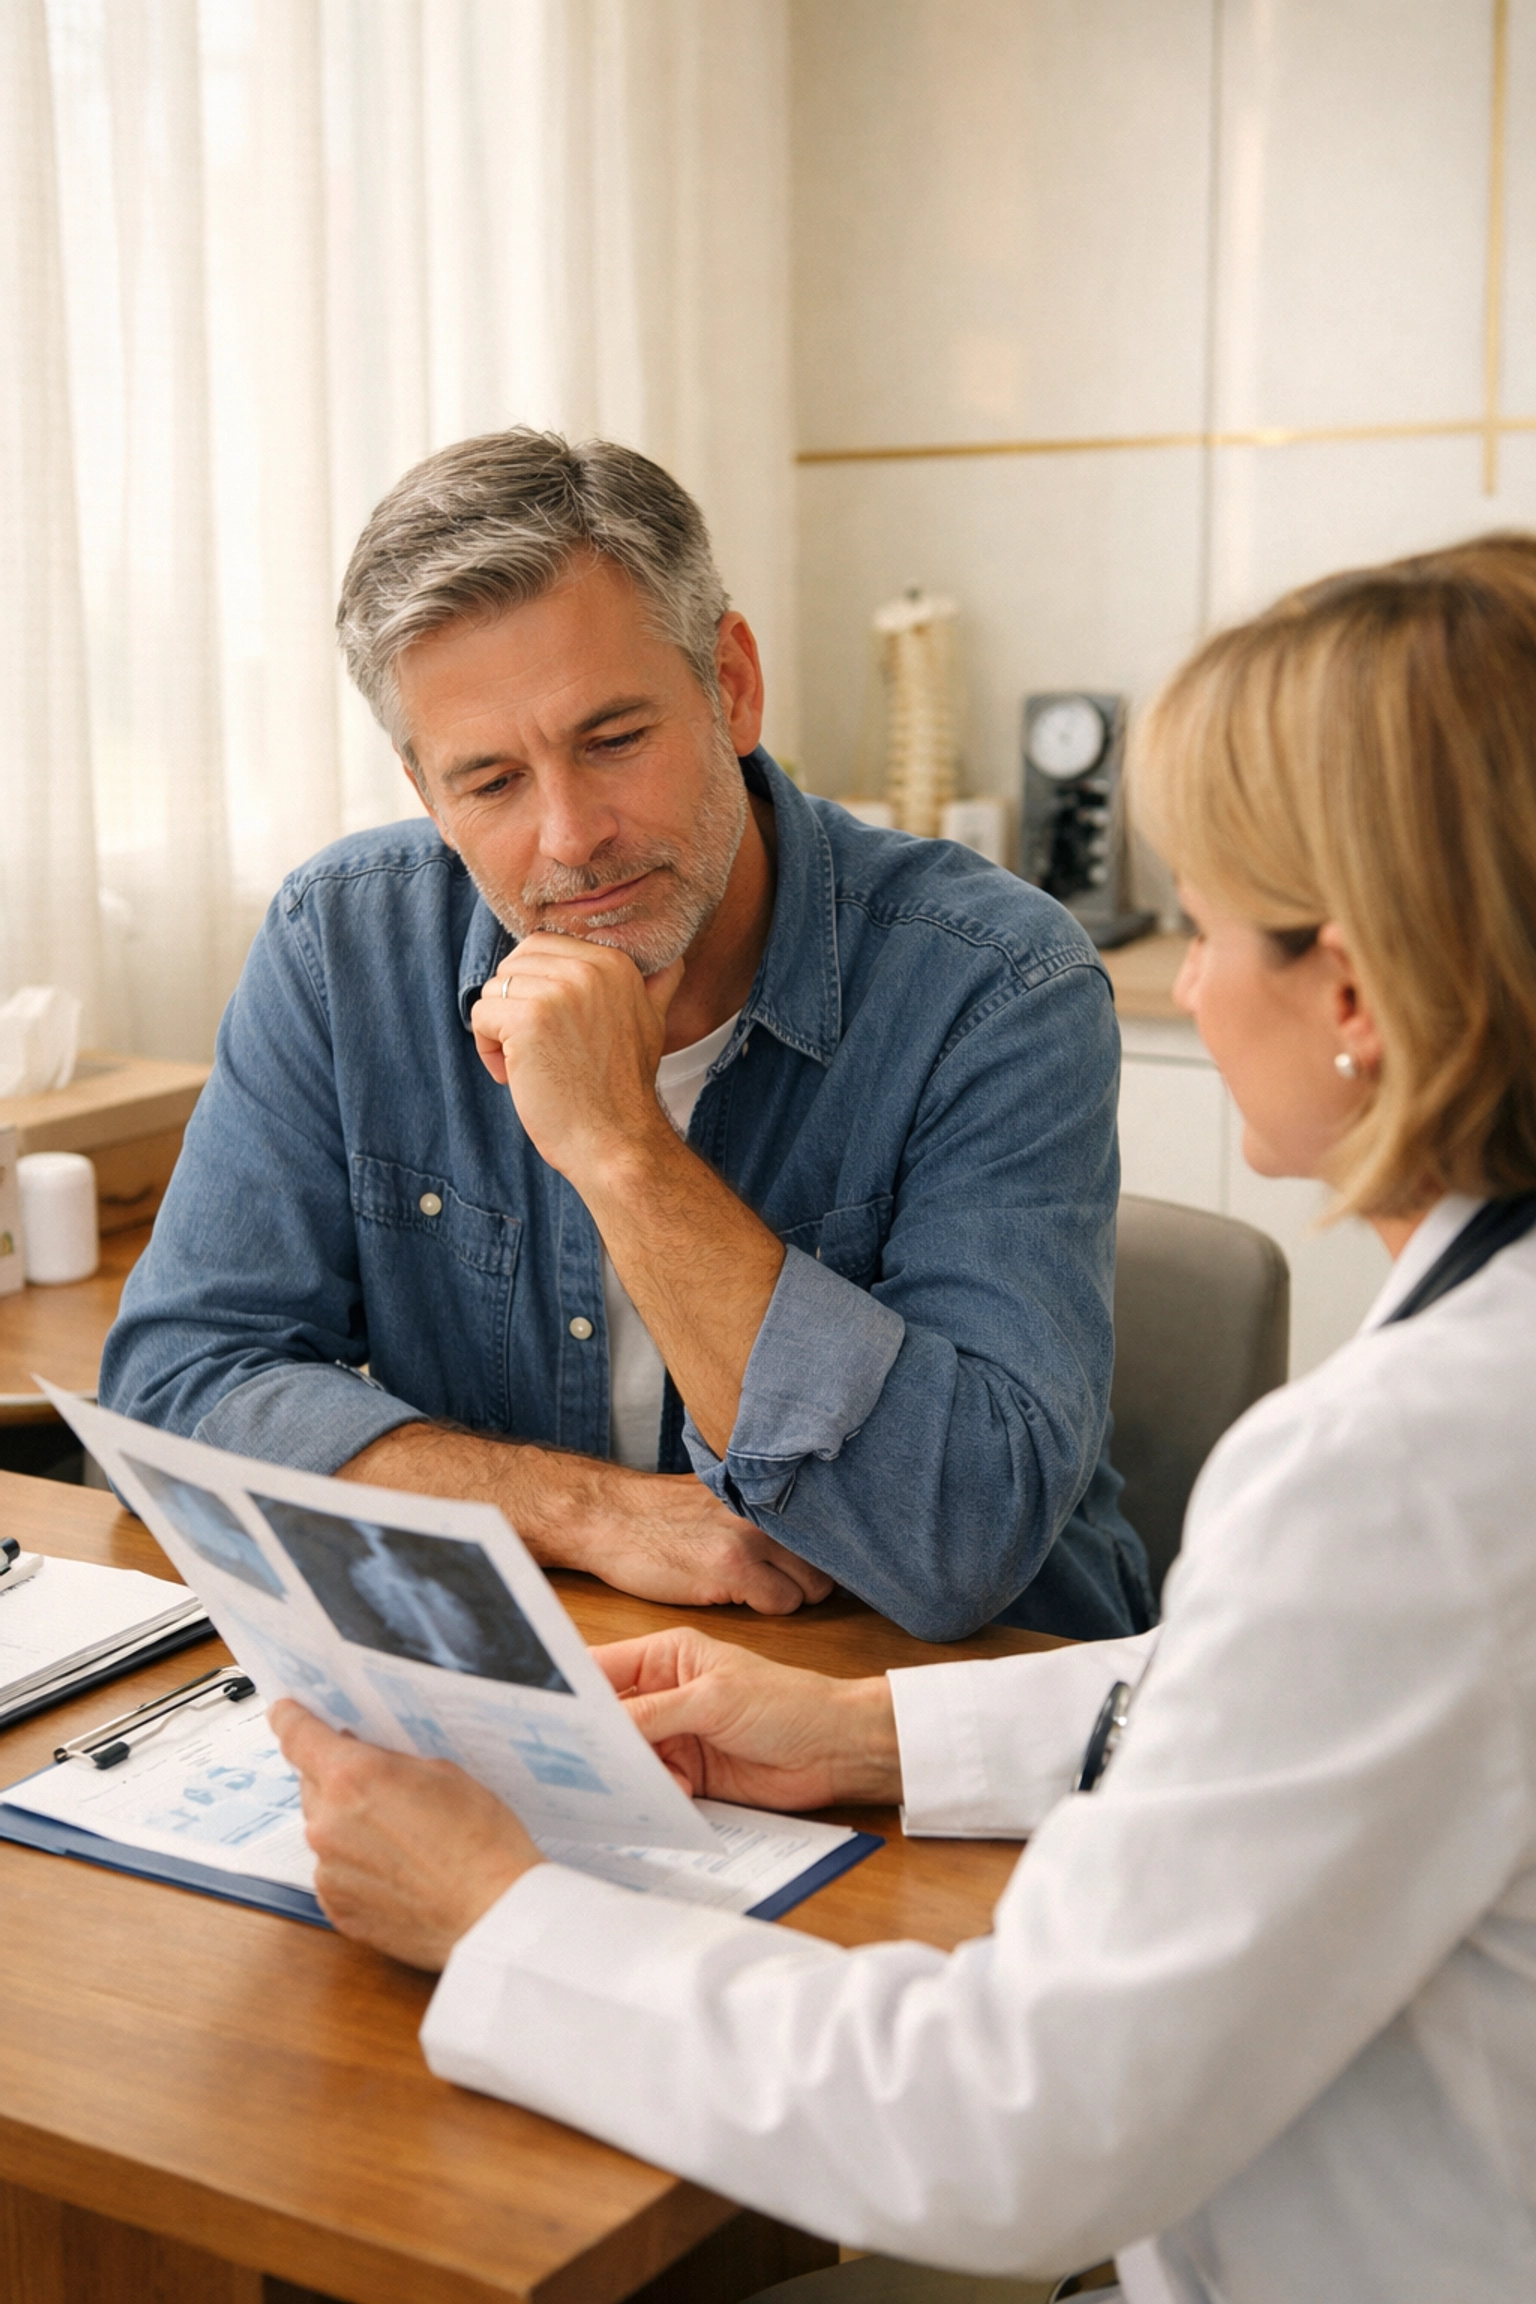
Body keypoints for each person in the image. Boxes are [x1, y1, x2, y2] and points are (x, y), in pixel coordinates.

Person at [275, 534, 1536, 2302]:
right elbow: (1315, 1701)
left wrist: (500, 1917)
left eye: (1210, 921)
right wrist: (877, 1732)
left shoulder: (1399, 1471)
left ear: (1347, 991)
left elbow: (1014, 2129)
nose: (1186, 985)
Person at [102, 429, 1150, 1643]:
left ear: (733, 686)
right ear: (425, 789)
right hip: (570, 1677)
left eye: (612, 740)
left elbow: (963, 1533)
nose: (571, 838)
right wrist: (582, 1513)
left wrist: (620, 1146)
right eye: (491, 782)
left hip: (940, 1700)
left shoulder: (997, 980)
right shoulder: (341, 945)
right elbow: (177, 1387)